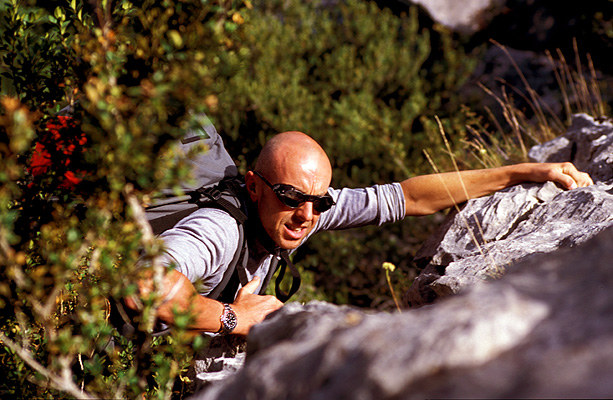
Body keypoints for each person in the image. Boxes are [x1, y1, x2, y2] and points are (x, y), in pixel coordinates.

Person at [125, 131, 593, 336]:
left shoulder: (303, 209)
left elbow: (407, 198)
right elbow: (145, 285)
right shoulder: (220, 229)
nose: (307, 215)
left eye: (320, 201)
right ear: (254, 186)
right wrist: (232, 317)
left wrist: (524, 172)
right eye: (291, 196)